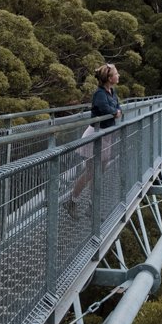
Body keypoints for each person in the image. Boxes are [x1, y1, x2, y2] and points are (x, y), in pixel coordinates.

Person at [66, 63, 122, 215]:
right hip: (95, 135)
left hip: (105, 135)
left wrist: (117, 111)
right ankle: (72, 201)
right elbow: (107, 109)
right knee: (91, 172)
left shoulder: (111, 91)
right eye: (116, 74)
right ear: (109, 78)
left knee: (100, 172)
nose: (118, 76)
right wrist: (115, 112)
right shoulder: (100, 94)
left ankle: (92, 205)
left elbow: (118, 107)